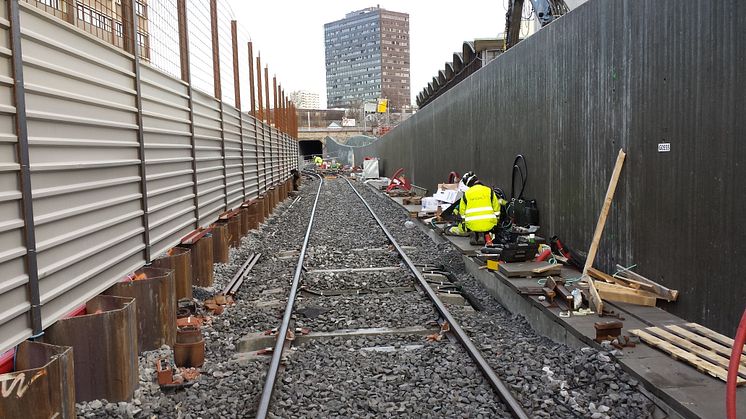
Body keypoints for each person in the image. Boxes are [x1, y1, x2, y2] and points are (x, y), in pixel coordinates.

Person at [449, 172, 502, 245]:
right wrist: (496, 222)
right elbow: (497, 208)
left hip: (471, 225)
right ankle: (483, 234)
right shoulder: (489, 191)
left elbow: (462, 211)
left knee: (470, 226)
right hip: (489, 224)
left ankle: (474, 233)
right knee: (486, 227)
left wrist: (464, 224)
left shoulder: (467, 193)